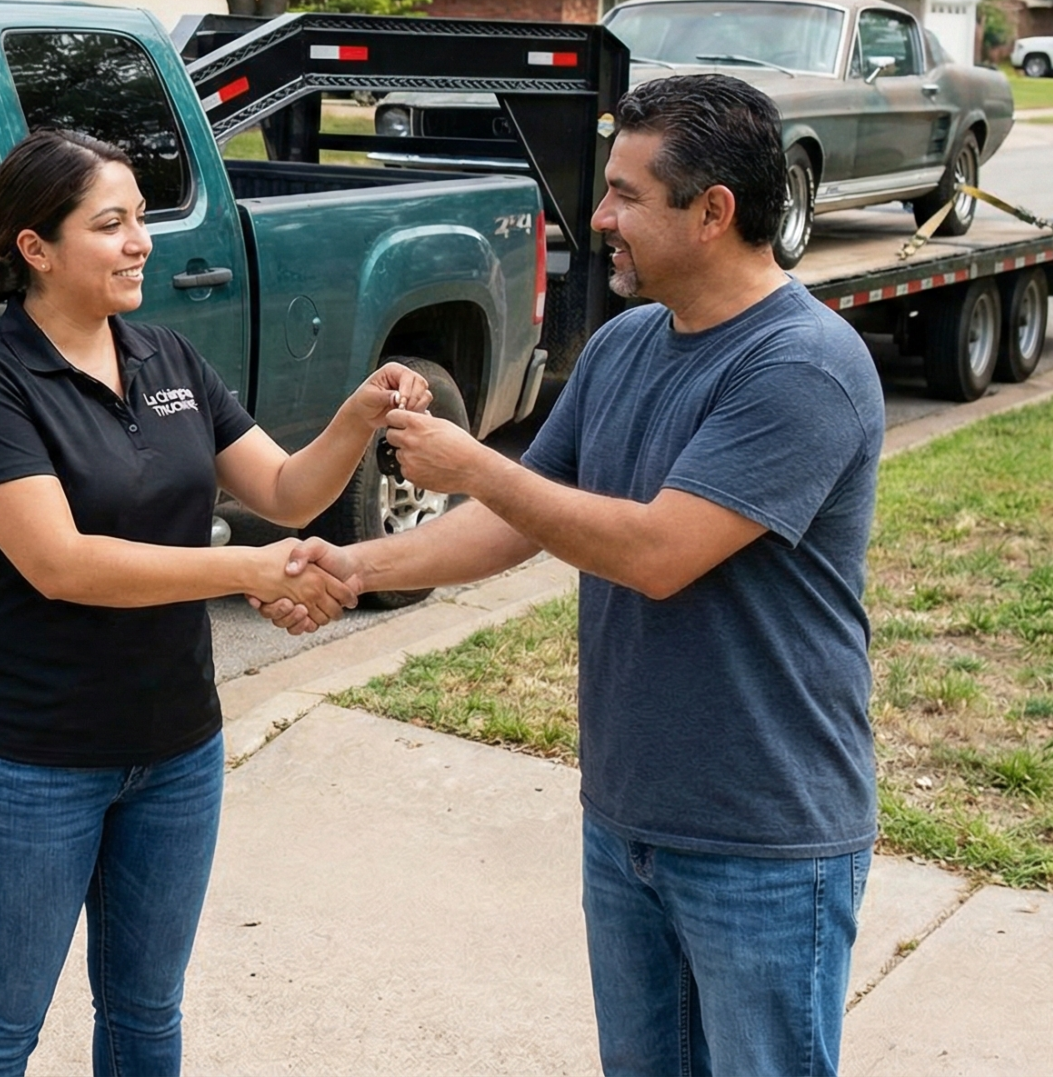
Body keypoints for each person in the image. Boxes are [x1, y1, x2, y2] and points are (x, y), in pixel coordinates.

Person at [263, 73, 886, 1074]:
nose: (598, 218)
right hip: (630, 817)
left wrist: (472, 460)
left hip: (763, 839)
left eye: (626, 195)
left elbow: (656, 553)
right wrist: (353, 563)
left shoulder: (799, 366)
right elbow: (512, 524)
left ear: (714, 212)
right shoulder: (629, 343)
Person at [0, 128, 432, 1077]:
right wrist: (247, 572)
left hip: (176, 751)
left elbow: (283, 492)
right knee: (1, 1027)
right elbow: (62, 565)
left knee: (147, 1014)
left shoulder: (166, 358)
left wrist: (358, 415)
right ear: (35, 249)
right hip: (29, 759)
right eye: (109, 225)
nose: (141, 243)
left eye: (139, 220)